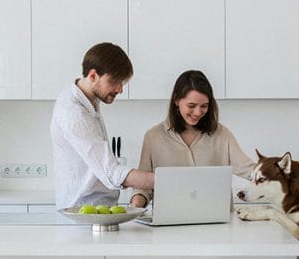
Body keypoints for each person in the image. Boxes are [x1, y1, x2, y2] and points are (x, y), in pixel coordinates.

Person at [51, 42, 154, 210]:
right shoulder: (74, 114)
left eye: (122, 83)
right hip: (83, 214)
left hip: (95, 211)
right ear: (93, 76)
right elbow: (111, 172)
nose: (120, 90)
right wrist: (166, 180)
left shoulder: (86, 100)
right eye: (114, 81)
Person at [130, 70, 254, 208]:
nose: (197, 112)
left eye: (204, 106)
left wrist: (279, 172)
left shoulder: (222, 134)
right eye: (191, 106)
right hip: (170, 220)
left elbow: (248, 169)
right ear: (177, 100)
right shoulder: (153, 137)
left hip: (216, 221)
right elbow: (143, 186)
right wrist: (136, 205)